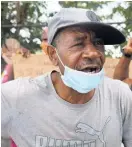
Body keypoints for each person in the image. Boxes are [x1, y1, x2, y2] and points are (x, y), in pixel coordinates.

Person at [1, 8, 132, 147]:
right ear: (53, 55)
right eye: (79, 44)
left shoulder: (120, 96)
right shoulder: (13, 98)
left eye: (98, 43)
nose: (93, 53)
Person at [1, 38, 30, 147]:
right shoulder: (7, 68)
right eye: (7, 49)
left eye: (14, 49)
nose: (10, 52)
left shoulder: (21, 65)